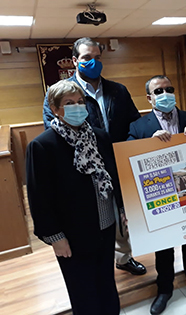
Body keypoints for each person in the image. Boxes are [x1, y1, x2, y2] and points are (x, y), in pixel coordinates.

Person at [43, 37, 146, 276]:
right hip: (83, 168)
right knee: (92, 217)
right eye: (87, 57)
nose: (93, 62)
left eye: (98, 57)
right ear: (75, 60)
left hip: (117, 160)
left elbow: (134, 124)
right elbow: (53, 129)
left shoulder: (118, 90)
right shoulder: (62, 92)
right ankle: (96, 261)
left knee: (121, 213)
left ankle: (123, 257)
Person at [26, 80, 121, 314]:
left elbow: (113, 178)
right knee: (83, 289)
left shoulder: (99, 137)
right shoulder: (42, 146)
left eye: (80, 102)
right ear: (55, 109)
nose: (77, 107)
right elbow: (39, 197)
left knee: (106, 282)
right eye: (69, 103)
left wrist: (121, 211)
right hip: (72, 234)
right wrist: (55, 237)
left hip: (106, 225)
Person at [128, 75, 186, 315]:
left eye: (169, 89)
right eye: (159, 91)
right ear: (149, 98)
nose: (165, 94)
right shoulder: (139, 127)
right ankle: (165, 289)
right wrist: (148, 143)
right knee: (164, 245)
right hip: (161, 193)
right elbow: (127, 156)